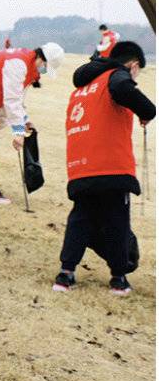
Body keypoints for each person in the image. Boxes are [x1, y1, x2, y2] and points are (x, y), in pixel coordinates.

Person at [53, 41, 154, 295]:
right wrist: (147, 111)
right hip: (110, 164)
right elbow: (122, 88)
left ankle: (66, 273)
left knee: (81, 218)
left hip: (81, 165)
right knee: (117, 220)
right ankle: (119, 277)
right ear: (133, 65)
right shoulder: (117, 75)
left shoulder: (86, 84)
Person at [0, 42, 64, 204]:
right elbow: (11, 99)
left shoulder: (27, 61)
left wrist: (25, 120)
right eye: (45, 67)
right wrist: (18, 132)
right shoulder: (19, 64)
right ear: (41, 59)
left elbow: (18, 100)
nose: (43, 71)